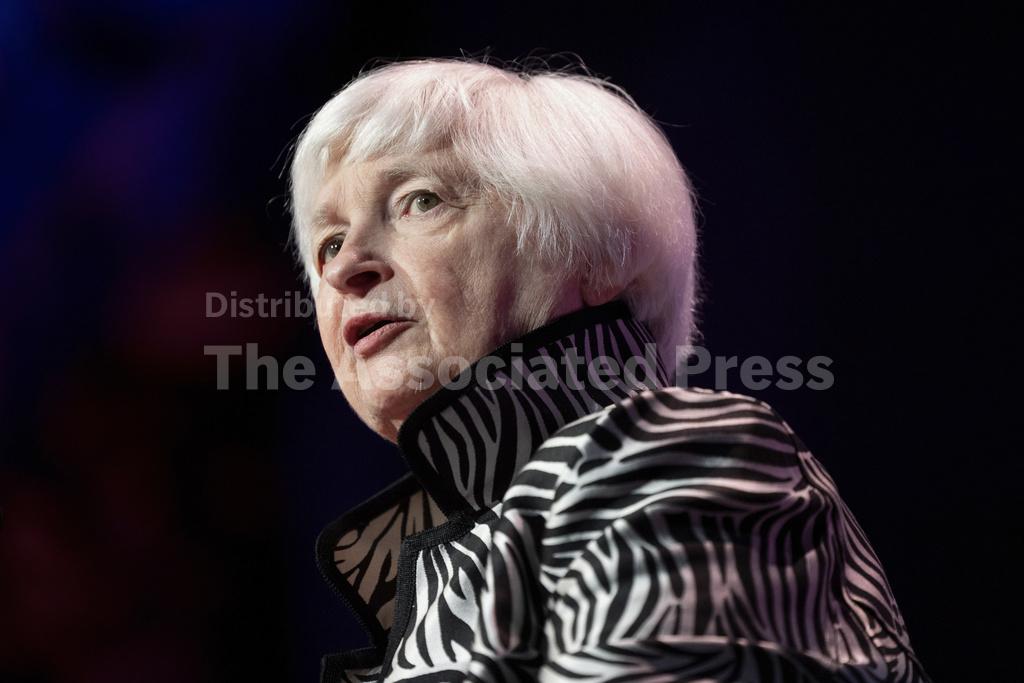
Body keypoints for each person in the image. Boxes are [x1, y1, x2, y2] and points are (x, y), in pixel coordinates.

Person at [288, 58, 929, 683]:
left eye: (419, 201)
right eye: (329, 243)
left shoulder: (679, 454)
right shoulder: (462, 560)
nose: (343, 269)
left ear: (592, 256)